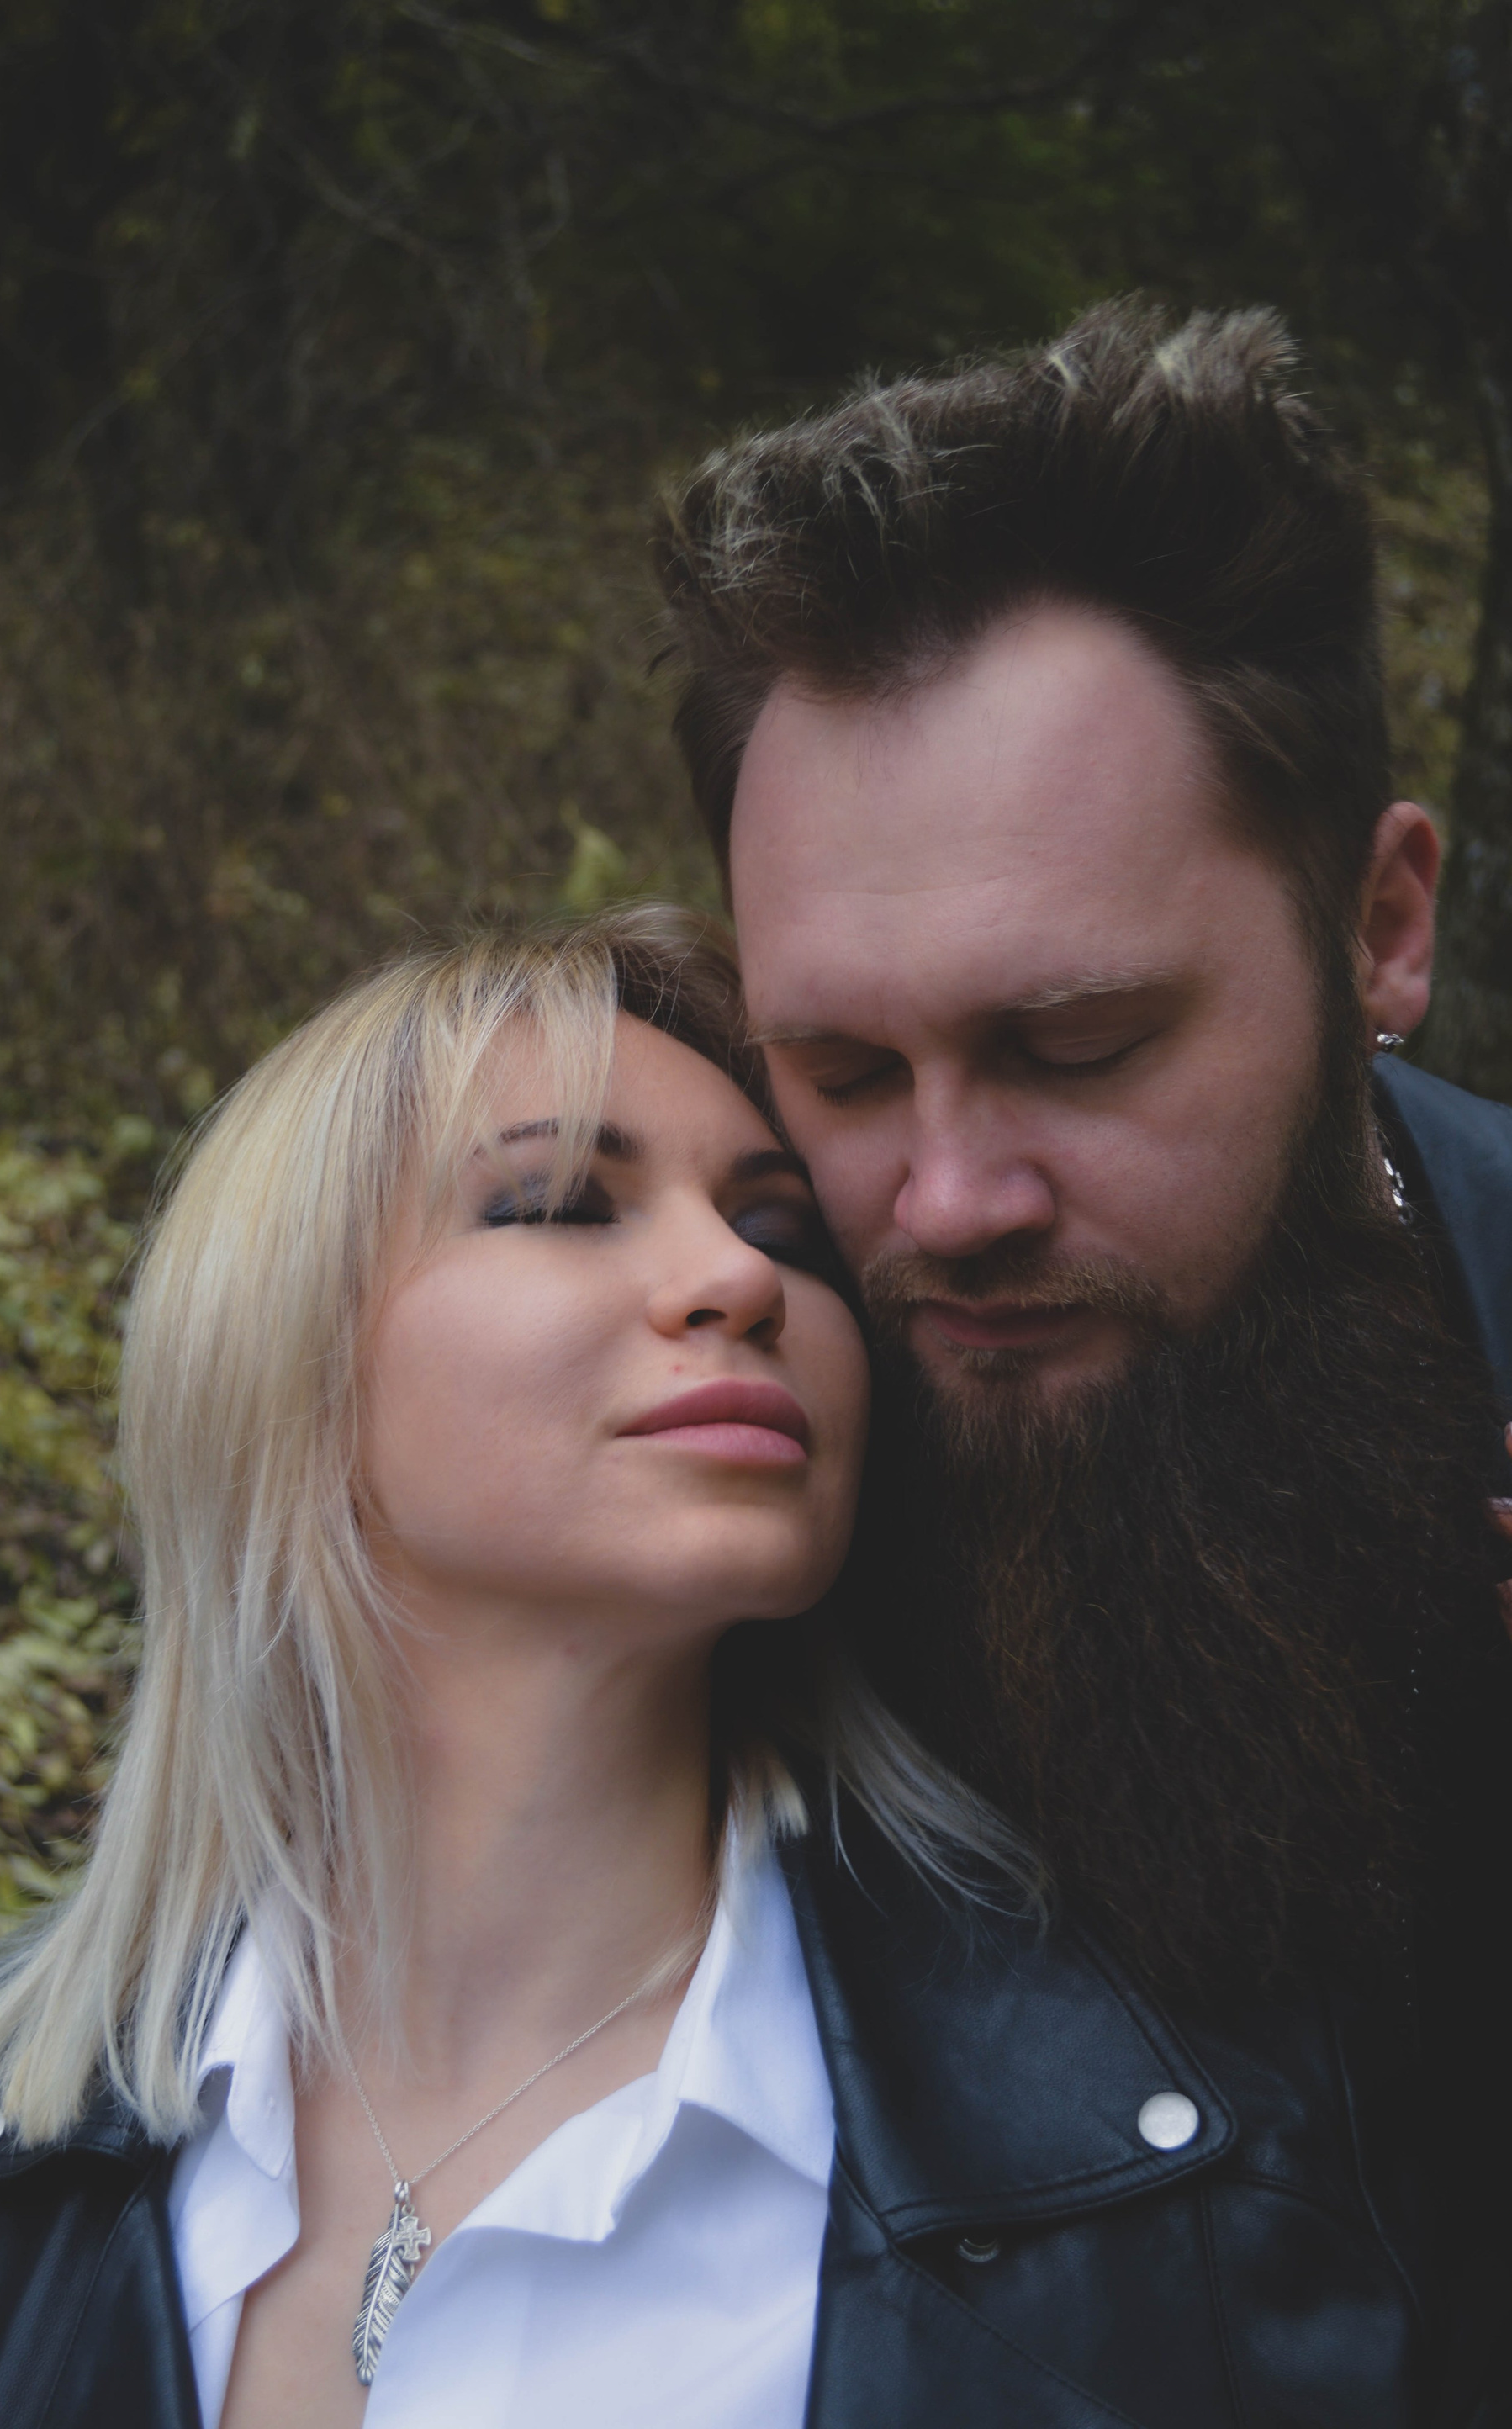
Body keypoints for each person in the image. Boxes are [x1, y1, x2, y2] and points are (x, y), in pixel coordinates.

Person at [0, 906, 1467, 2429]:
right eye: (562, 1203)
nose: (741, 1277)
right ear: (283, 1354)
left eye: (782, 1230)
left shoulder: (1175, 2179)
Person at [654, 299, 1512, 2420]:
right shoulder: (694, 1441)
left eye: (1079, 1045)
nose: (945, 1202)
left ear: (1382, 926)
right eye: (845, 1070)